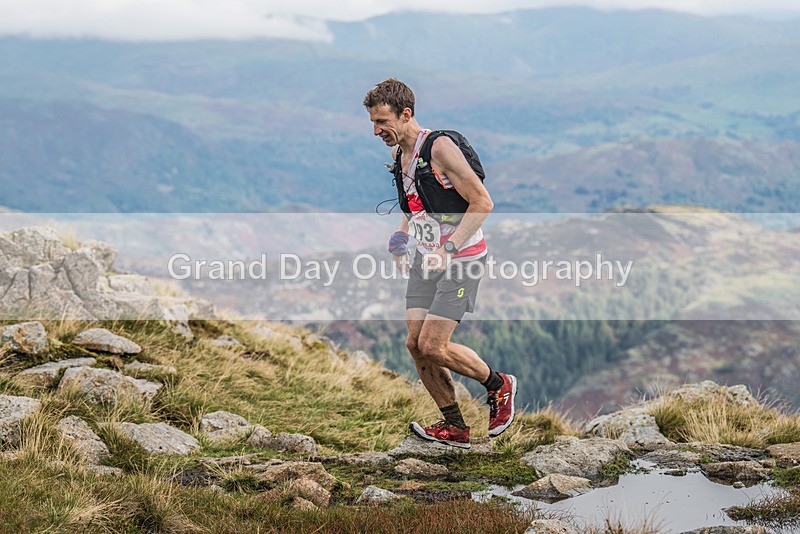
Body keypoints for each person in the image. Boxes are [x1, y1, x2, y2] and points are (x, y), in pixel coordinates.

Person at [363, 78, 517, 449]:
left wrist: (447, 249)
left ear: (406, 114)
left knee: (434, 345)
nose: (376, 131)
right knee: (415, 344)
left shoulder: (440, 148)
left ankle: (499, 385)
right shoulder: (402, 156)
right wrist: (401, 238)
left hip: (462, 259)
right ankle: (455, 428)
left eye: (382, 122)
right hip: (425, 259)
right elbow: (416, 207)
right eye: (372, 122)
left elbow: (482, 203)